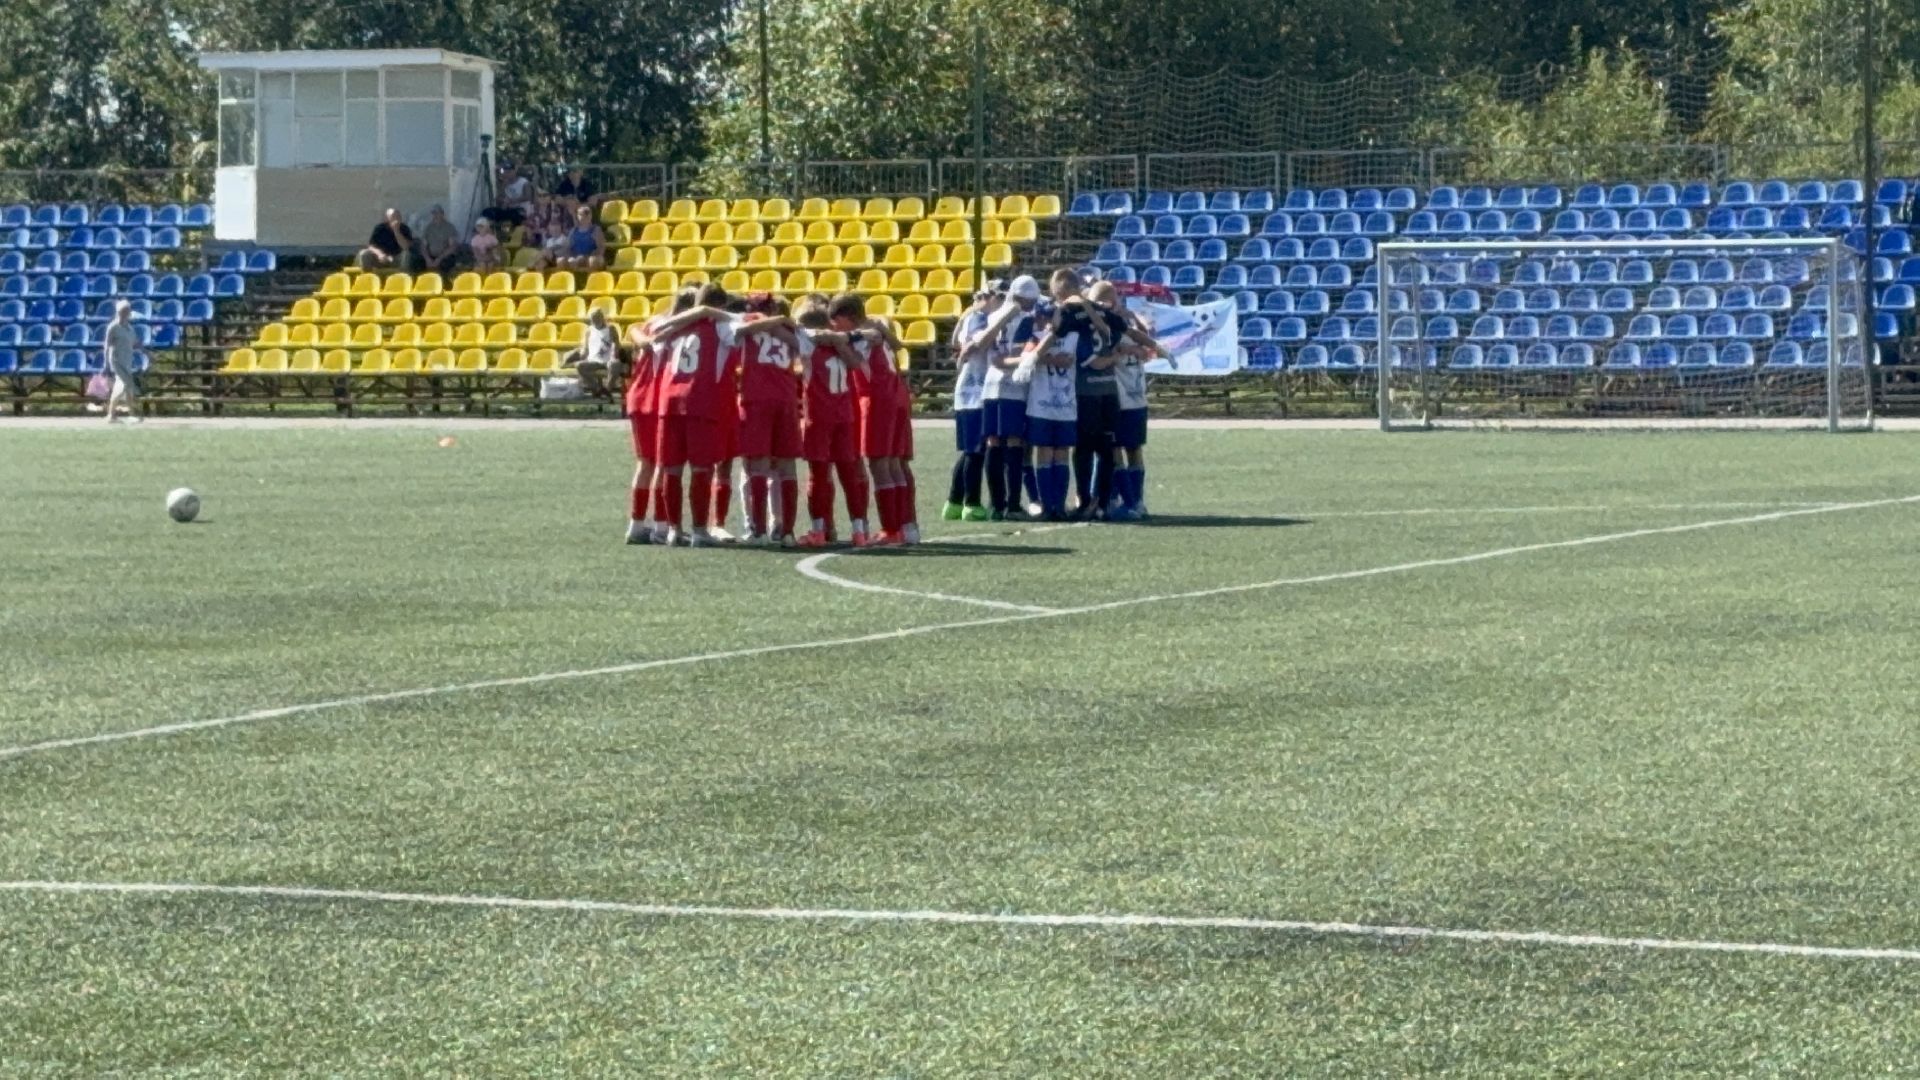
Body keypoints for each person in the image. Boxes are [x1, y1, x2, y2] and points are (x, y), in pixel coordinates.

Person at [649, 285, 790, 547]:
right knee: (702, 468)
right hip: (701, 401)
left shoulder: (676, 325)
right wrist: (780, 319)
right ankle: (700, 530)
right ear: (719, 306)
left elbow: (655, 333)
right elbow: (748, 327)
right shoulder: (721, 325)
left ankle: (673, 530)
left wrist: (696, 312)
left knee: (672, 469)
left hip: (669, 402)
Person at [835, 293, 918, 545]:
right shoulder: (876, 326)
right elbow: (894, 342)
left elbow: (850, 356)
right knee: (895, 463)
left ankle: (891, 528)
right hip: (895, 394)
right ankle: (907, 526)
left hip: (876, 398)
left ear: (846, 318)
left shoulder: (862, 335)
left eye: (837, 321)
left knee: (880, 464)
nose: (835, 327)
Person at [795, 297, 875, 547]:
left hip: (818, 416)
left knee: (818, 475)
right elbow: (867, 341)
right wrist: (840, 340)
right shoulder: (848, 343)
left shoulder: (809, 345)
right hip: (843, 414)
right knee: (849, 474)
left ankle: (818, 529)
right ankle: (859, 530)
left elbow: (798, 333)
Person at [1087, 281, 1167, 520]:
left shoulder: (1112, 328)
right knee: (1131, 449)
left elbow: (1137, 347)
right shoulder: (1124, 326)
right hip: (1135, 397)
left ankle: (1129, 501)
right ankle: (1130, 500)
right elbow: (1145, 347)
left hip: (1121, 398)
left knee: (1115, 450)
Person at [964, 274, 1041, 520]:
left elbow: (982, 347)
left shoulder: (994, 315)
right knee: (1015, 444)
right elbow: (1018, 353)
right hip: (1014, 388)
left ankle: (997, 505)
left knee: (994, 443)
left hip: (990, 385)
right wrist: (1032, 359)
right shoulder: (1026, 321)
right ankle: (1013, 505)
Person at [735, 296, 810, 545]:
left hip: (757, 398)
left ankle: (758, 532)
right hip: (786, 398)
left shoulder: (749, 323)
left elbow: (742, 330)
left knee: (756, 465)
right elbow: (804, 347)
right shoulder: (788, 327)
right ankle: (786, 531)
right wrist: (782, 322)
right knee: (786, 467)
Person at [622, 289, 695, 544]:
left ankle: (636, 524)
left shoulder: (653, 321)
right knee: (664, 463)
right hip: (657, 397)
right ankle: (661, 526)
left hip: (638, 395)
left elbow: (636, 335)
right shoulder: (684, 328)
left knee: (645, 463)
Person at [942, 283, 999, 521]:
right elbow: (977, 343)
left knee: (971, 451)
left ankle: (954, 502)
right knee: (976, 451)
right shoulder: (977, 317)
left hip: (973, 391)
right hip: (975, 391)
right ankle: (971, 502)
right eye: (999, 296)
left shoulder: (976, 316)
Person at [102, 300, 141, 424]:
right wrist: (106, 362)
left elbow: (135, 343)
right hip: (116, 361)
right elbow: (106, 345)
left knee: (127, 388)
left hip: (127, 361)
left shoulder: (130, 329)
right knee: (123, 385)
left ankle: (124, 414)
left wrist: (148, 353)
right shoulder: (113, 327)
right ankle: (112, 414)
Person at [569, 306, 621, 395]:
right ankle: (598, 389)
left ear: (602, 317)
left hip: (608, 360)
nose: (595, 321)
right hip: (593, 361)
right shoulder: (589, 330)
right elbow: (585, 349)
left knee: (616, 364)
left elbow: (615, 344)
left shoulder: (611, 328)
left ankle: (608, 389)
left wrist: (613, 356)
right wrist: (579, 354)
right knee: (579, 366)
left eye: (597, 317)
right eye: (593, 319)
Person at [358, 208, 422, 272]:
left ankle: (403, 278)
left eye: (398, 216)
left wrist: (396, 231)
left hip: (397, 258)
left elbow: (405, 247)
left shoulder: (405, 229)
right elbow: (371, 246)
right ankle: (368, 277)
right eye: (393, 216)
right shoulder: (379, 228)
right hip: (381, 258)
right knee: (364, 254)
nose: (396, 219)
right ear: (387, 218)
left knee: (406, 255)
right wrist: (380, 254)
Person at [554, 205, 606, 272]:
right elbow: (567, 247)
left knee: (593, 261)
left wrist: (585, 257)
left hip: (590, 257)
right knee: (561, 261)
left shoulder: (596, 230)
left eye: (587, 213)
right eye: (581, 214)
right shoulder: (573, 231)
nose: (584, 216)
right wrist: (570, 257)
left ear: (590, 216)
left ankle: (592, 280)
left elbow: (601, 248)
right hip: (575, 257)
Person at [419, 205, 463, 273]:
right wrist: (427, 259)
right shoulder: (428, 228)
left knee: (445, 265)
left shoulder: (449, 227)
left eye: (437, 213)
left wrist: (439, 259)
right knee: (419, 264)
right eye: (433, 213)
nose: (435, 215)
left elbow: (453, 247)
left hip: (444, 257)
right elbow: (423, 246)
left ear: (442, 214)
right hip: (431, 256)